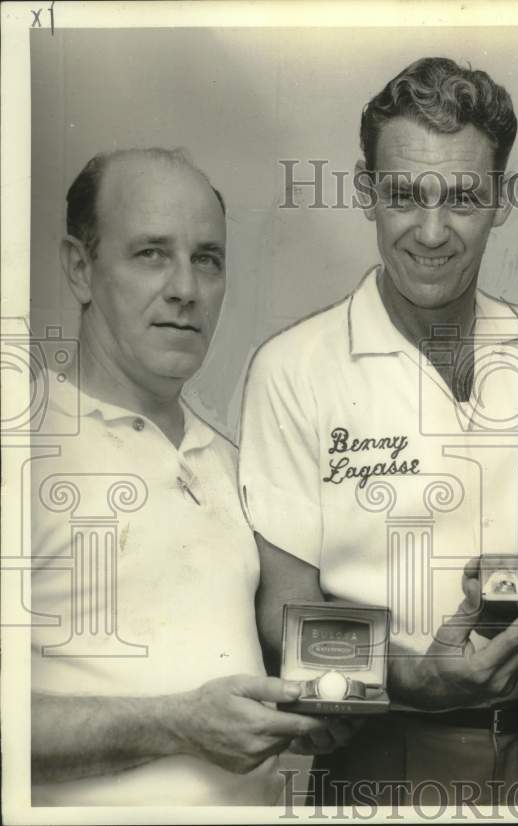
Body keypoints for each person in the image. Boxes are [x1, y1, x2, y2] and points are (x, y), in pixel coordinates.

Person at [240, 57, 518, 805]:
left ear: (502, 199)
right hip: (378, 750)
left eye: (464, 198)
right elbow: (282, 618)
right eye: (405, 196)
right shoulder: (293, 368)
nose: (433, 233)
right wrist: (416, 678)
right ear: (365, 192)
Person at [29, 148, 347, 806]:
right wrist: (177, 725)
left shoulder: (234, 466)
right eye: (151, 253)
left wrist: (315, 712)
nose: (186, 288)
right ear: (80, 268)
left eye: (207, 258)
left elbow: (268, 668)